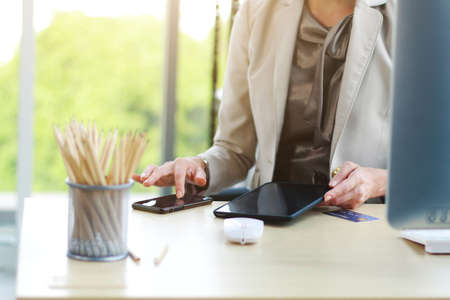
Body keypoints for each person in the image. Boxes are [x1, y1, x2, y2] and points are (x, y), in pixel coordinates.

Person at [132, 0, 393, 209]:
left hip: (365, 221)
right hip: (271, 217)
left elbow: (432, 166)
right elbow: (235, 149)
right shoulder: (255, 11)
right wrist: (199, 167)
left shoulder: (411, 16)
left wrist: (377, 181)